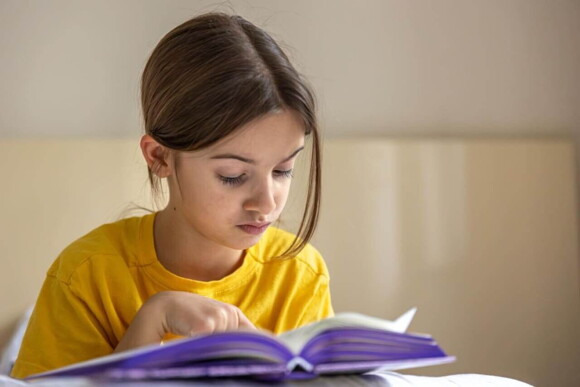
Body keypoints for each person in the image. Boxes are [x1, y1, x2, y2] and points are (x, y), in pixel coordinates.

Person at [11, 12, 333, 379]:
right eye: (233, 176)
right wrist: (152, 320)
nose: (266, 202)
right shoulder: (87, 276)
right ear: (160, 157)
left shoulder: (299, 273)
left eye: (282, 171)